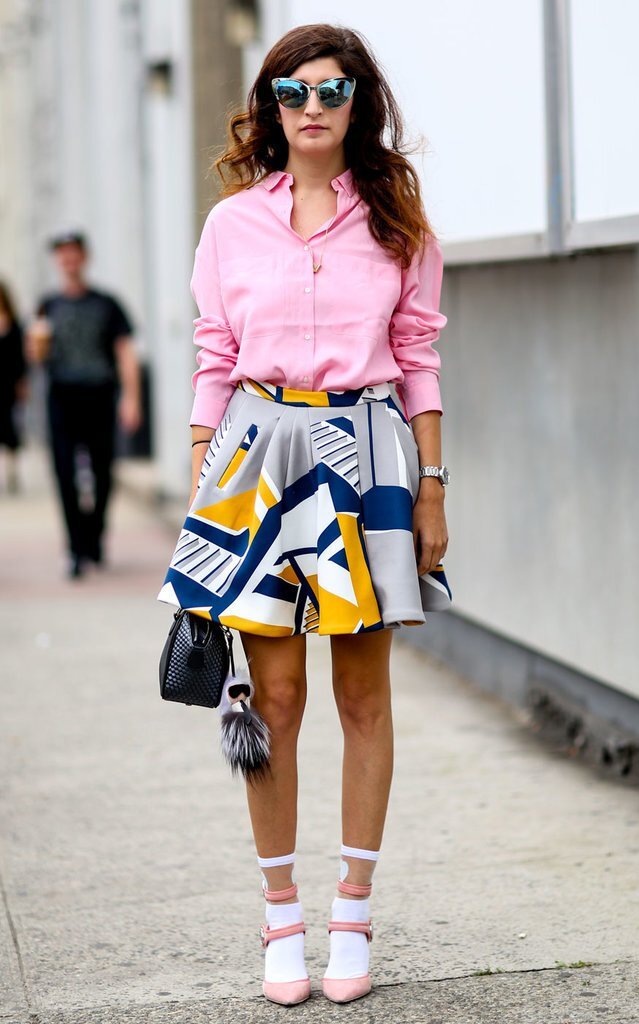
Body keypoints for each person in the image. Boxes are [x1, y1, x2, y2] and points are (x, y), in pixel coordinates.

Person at [158, 23, 452, 1006]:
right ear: (271, 106)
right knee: (271, 700)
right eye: (293, 91)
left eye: (332, 91)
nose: (313, 107)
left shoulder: (396, 221)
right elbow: (211, 359)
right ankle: (280, 917)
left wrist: (433, 488)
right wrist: (205, 493)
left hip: (364, 457)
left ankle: (351, 914)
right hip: (255, 461)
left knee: (362, 698)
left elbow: (417, 358)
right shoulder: (232, 225)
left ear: (356, 103)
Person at [28, 231, 142, 578]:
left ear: (84, 257)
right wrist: (36, 347)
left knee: (103, 472)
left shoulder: (107, 304)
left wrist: (132, 398)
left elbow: (125, 353)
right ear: (57, 261)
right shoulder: (47, 304)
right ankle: (76, 550)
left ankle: (94, 536)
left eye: (73, 254)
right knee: (65, 474)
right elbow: (35, 355)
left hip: (99, 396)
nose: (69, 260)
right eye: (62, 255)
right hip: (61, 398)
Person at [0, 280, 28, 493]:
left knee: (10, 428)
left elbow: (21, 357)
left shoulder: (14, 324)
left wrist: (22, 381)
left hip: (8, 384)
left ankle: (11, 472)